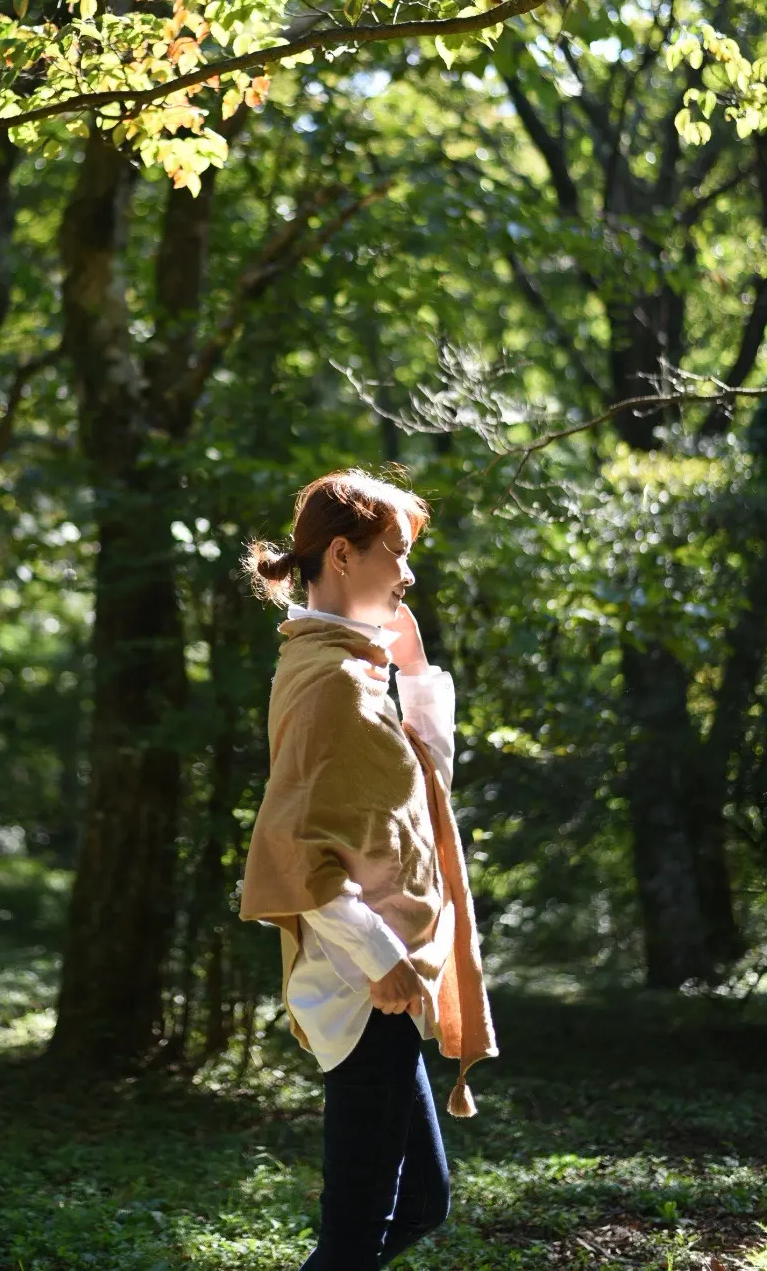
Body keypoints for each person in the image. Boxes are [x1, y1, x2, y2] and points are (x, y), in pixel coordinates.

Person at [239, 468, 497, 1271]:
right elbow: (293, 852)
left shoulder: (344, 666)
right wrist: (382, 960)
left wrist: (415, 674)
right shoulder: (329, 681)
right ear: (344, 555)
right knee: (353, 1240)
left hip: (385, 989)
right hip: (365, 992)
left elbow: (424, 795)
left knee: (421, 1204)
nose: (410, 573)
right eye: (398, 552)